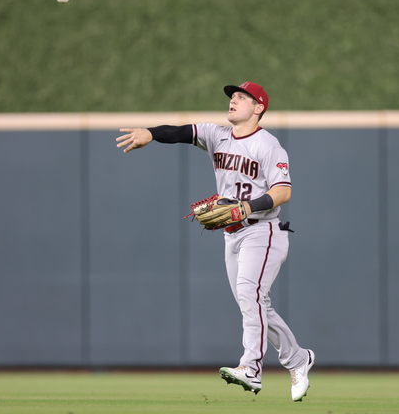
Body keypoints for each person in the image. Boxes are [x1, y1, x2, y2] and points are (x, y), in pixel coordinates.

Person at [116, 82, 315, 401]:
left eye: (242, 97)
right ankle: (298, 358)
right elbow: (180, 131)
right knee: (253, 304)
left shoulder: (268, 145)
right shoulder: (217, 134)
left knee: (249, 295)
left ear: (258, 108)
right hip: (231, 234)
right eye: (232, 96)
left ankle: (251, 368)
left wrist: (248, 206)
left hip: (262, 230)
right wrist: (151, 133)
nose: (233, 100)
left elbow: (283, 191)